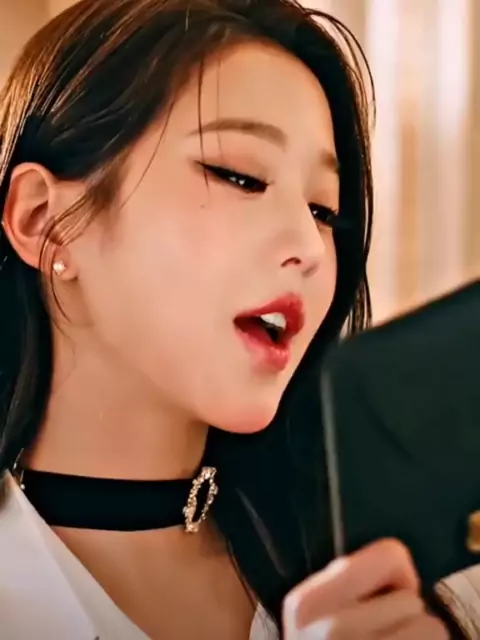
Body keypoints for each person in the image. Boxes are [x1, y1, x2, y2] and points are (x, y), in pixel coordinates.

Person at [0, 0, 450, 638]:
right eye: (239, 176)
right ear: (43, 220)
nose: (310, 246)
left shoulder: (404, 583)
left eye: (325, 210)